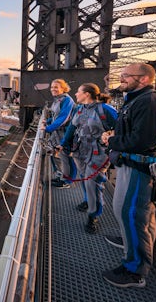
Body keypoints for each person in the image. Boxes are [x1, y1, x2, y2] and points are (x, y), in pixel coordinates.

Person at [101, 63, 156, 288]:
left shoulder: (151, 102)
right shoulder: (138, 100)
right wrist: (115, 135)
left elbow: (143, 141)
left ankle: (134, 271)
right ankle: (130, 240)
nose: (121, 79)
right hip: (132, 165)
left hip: (139, 169)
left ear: (143, 79)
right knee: (135, 215)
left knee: (131, 214)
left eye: (126, 76)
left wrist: (111, 140)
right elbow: (133, 132)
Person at [58, 83, 117, 233]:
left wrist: (111, 138)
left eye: (78, 92)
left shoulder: (105, 109)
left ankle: (93, 216)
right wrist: (63, 144)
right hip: (80, 150)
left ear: (87, 94)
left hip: (98, 153)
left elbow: (121, 128)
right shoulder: (79, 109)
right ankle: (87, 201)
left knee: (93, 183)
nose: (76, 94)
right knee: (85, 178)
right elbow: (72, 128)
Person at [44, 79, 75, 188]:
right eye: (52, 87)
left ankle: (67, 182)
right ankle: (61, 177)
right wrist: (48, 122)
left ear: (63, 88)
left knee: (66, 157)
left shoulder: (67, 100)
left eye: (56, 87)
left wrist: (48, 128)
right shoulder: (57, 99)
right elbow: (55, 116)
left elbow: (63, 118)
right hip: (58, 132)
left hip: (65, 132)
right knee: (61, 156)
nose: (53, 89)